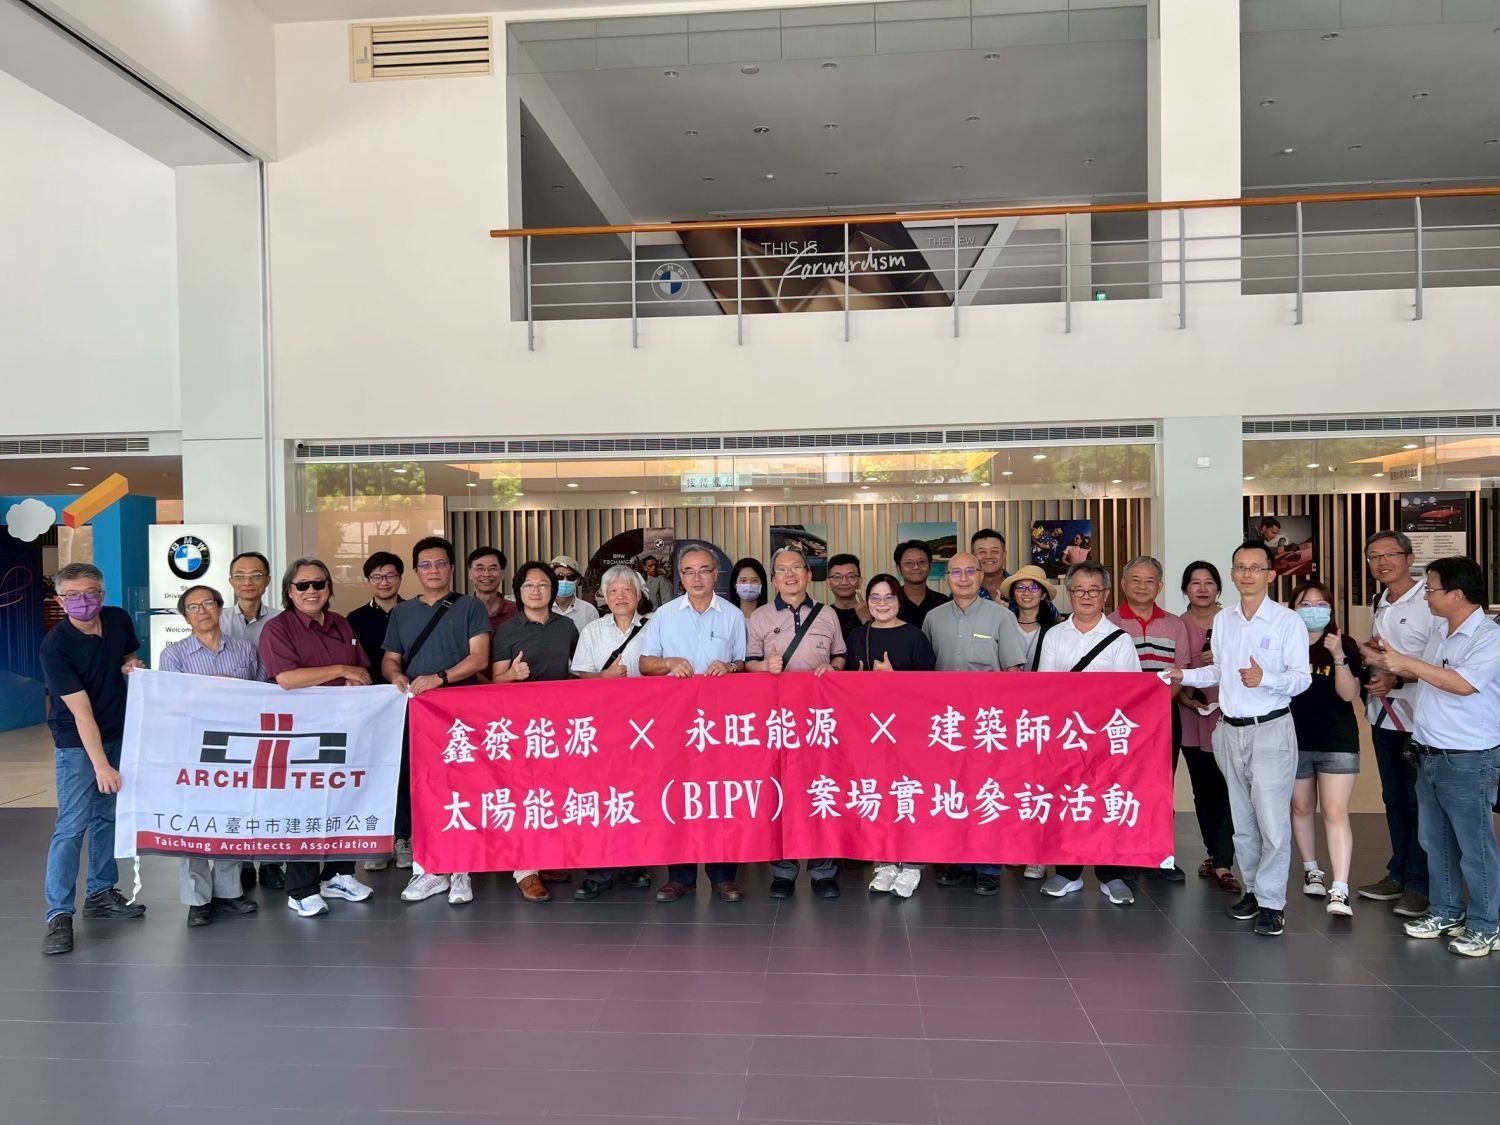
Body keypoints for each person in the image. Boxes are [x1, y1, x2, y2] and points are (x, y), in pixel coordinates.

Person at [1169, 541, 1312, 939]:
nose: (1246, 574)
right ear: (1232, 574)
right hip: (1229, 730)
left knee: (1272, 823)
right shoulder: (1226, 620)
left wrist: (1266, 678)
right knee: (1242, 821)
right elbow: (1218, 672)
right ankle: (1252, 890)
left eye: (1255, 567)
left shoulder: (1287, 621)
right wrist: (1183, 675)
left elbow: (1301, 680)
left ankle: (1272, 904)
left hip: (1270, 730)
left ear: (1271, 574)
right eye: (1240, 567)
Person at [1362, 556, 1500, 958]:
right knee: (1436, 840)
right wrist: (1383, 659)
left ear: (1457, 594)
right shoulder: (1441, 630)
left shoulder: (1488, 637)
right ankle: (1445, 911)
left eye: (1432, 588)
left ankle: (1487, 925)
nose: (1426, 596)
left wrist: (1406, 662)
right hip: (1428, 750)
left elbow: (1462, 683)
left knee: (1475, 846)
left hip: (1468, 756)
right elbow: (1422, 672)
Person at [38, 563, 148, 955]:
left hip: (118, 731)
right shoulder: (56, 647)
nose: (83, 602)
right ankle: (58, 915)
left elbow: (128, 655)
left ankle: (101, 892)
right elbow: (81, 714)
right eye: (73, 596)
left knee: (108, 816)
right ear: (59, 600)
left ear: (103, 593)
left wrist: (131, 666)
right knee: (71, 826)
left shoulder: (117, 620)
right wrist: (101, 765)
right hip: (77, 743)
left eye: (91, 593)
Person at [258, 558, 376, 918]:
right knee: (304, 806)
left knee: (346, 797)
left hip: (346, 728)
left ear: (329, 587)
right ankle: (301, 889)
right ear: (289, 590)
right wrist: (341, 670)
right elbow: (287, 679)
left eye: (319, 584)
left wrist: (355, 677)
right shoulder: (278, 629)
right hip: (302, 735)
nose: (312, 591)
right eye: (303, 585)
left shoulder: (341, 623)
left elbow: (361, 670)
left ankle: (339, 874)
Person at [382, 536, 492, 907]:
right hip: (419, 713)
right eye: (426, 565)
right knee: (425, 788)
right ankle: (430, 868)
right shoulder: (402, 612)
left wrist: (440, 678)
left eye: (440, 563)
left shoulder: (469, 606)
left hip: (462, 710)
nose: (433, 570)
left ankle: (461, 868)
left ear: (452, 568)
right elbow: (391, 658)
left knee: (462, 786)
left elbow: (479, 658)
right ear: (416, 571)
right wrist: (396, 675)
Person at [640, 546, 748, 903]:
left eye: (704, 570)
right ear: (680, 578)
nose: (697, 578)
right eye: (689, 571)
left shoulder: (733, 616)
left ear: (716, 574)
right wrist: (669, 662)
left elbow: (743, 664)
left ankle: (723, 876)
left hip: (721, 723)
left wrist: (729, 667)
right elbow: (645, 664)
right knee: (680, 794)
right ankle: (680, 877)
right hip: (677, 722)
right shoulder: (664, 615)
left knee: (721, 795)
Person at [1037, 561, 1143, 906]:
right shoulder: (1054, 635)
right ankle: (1067, 873)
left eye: (1093, 590)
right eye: (1079, 590)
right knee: (1067, 801)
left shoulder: (1120, 640)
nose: (1086, 596)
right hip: (1066, 737)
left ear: (1106, 594)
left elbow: (1128, 695)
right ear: (1069, 594)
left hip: (1107, 738)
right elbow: (1047, 689)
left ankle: (1112, 875)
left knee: (1107, 801)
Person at [160, 583, 265, 926]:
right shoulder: (174, 655)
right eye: (193, 607)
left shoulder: (245, 650)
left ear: (220, 608)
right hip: (193, 747)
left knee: (230, 817)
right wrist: (211, 689)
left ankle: (229, 892)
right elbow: (170, 704)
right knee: (193, 820)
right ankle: (197, 899)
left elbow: (263, 693)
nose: (202, 611)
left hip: (237, 746)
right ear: (185, 617)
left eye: (208, 604)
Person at [925, 551, 1027, 896]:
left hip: (988, 723)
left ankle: (988, 866)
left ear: (981, 576)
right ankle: (959, 860)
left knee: (987, 794)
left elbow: (1013, 672)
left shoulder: (1002, 617)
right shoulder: (934, 618)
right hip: (947, 724)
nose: (964, 578)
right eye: (956, 572)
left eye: (971, 571)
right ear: (947, 578)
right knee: (953, 793)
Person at [747, 546, 846, 900]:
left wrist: (833, 667)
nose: (790, 575)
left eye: (796, 568)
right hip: (778, 719)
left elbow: (840, 655)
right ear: (774, 579)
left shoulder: (827, 614)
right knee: (782, 792)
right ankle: (784, 870)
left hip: (820, 719)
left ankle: (823, 871)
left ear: (808, 574)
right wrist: (764, 667)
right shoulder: (759, 616)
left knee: (822, 790)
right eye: (782, 570)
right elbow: (748, 663)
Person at [491, 561, 582, 903]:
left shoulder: (567, 627)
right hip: (520, 726)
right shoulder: (507, 631)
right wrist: (511, 676)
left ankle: (545, 859)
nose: (536, 591)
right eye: (529, 585)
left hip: (558, 724)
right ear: (519, 591)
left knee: (553, 792)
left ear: (553, 590)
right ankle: (525, 870)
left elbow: (578, 670)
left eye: (544, 584)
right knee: (524, 793)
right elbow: (494, 681)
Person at [1357, 530, 1435, 919]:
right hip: (1383, 716)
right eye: (1374, 556)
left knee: (1420, 802)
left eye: (1389, 554)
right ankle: (1399, 872)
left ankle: (1422, 884)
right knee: (1394, 799)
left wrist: (1397, 678)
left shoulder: (1429, 602)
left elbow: (1440, 664)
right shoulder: (1381, 600)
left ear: (1409, 558)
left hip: (1419, 720)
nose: (1382, 562)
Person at [845, 573, 936, 898]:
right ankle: (884, 861)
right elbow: (847, 686)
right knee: (879, 795)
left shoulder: (915, 636)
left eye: (889, 597)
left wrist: (894, 678)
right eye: (875, 597)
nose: (882, 603)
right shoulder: (859, 635)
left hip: (910, 732)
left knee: (909, 796)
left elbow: (931, 689)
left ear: (899, 600)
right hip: (870, 731)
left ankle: (912, 865)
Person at [569, 563, 653, 900]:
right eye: (613, 590)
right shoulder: (592, 630)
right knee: (600, 796)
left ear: (639, 595)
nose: (620, 596)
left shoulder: (652, 627)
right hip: (601, 726)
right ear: (603, 596)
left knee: (637, 795)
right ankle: (599, 871)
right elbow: (579, 675)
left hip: (642, 727)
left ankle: (635, 866)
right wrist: (604, 678)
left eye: (627, 589)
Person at [1109, 555, 1191, 884]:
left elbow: (1179, 671)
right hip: (1120, 721)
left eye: (1149, 581)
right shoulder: (1109, 623)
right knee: (1124, 786)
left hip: (1164, 715)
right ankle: (1127, 853)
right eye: (1135, 580)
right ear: (1123, 584)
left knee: (1160, 787)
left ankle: (1159, 855)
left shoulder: (1175, 624)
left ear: (1159, 586)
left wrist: (1155, 706)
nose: (1142, 586)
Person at [1287, 581, 1365, 918]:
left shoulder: (1344, 644)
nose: (1314, 610)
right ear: (1293, 608)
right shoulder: (1284, 642)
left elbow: (1349, 694)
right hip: (1293, 740)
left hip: (1337, 741)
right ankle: (1311, 869)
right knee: (1301, 807)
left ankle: (1341, 888)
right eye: (1306, 604)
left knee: (1335, 812)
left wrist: (1338, 656)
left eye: (1321, 604)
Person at [221, 550, 286, 891]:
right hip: (230, 720)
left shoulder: (281, 620)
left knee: (271, 787)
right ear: (231, 581)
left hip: (271, 717)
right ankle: (243, 860)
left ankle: (272, 861)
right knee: (236, 789)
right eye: (241, 576)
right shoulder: (217, 618)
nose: (248, 582)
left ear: (268, 580)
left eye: (256, 575)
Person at [1177, 562, 1238, 893]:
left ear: (1219, 588)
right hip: (1192, 712)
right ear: (1185, 589)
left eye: (1209, 582)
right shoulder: (1178, 624)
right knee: (1203, 789)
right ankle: (1214, 854)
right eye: (1195, 583)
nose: (1202, 589)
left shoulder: (1233, 620)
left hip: (1230, 714)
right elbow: (1174, 669)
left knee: (1229, 787)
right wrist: (1186, 700)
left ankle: (1224, 860)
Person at [348, 551, 405, 686]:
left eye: (390, 576)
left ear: (400, 578)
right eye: (377, 577)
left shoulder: (413, 613)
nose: (384, 582)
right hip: (369, 689)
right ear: (368, 580)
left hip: (408, 688)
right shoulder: (355, 619)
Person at [999, 564, 1058, 671]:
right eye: (1020, 587)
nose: (1026, 592)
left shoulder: (1054, 632)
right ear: (1013, 594)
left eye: (1034, 587)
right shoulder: (1004, 627)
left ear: (1043, 595)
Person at [893, 540, 950, 627]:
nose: (916, 567)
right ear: (898, 568)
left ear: (930, 566)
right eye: (909, 563)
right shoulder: (890, 603)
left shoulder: (943, 602)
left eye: (921, 562)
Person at [467, 545, 517, 634]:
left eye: (492, 568)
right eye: (480, 569)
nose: (486, 574)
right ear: (470, 574)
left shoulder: (516, 611)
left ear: (502, 574)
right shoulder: (461, 610)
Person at [549, 553, 599, 630]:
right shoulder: (541, 608)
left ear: (577, 581)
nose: (565, 581)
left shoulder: (589, 611)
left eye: (570, 577)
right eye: (559, 576)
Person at [826, 553, 870, 639]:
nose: (844, 582)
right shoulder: (823, 614)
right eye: (837, 577)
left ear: (860, 582)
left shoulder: (873, 612)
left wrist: (867, 620)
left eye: (851, 576)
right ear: (828, 583)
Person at [971, 529, 1010, 603]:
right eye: (982, 552)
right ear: (972, 556)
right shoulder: (964, 590)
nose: (988, 556)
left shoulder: (1018, 587)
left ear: (1004, 554)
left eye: (994, 551)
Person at [732, 557, 768, 622]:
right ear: (735, 584)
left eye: (754, 580)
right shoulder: (727, 615)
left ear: (762, 584)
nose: (749, 585)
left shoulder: (770, 615)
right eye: (743, 580)